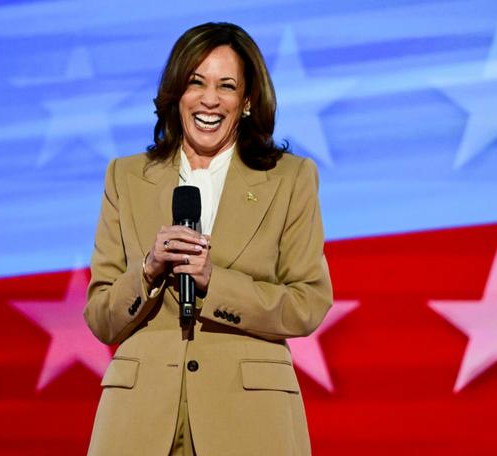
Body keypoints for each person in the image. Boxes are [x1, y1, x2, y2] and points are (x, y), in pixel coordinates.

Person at [84, 22, 332, 456]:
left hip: (250, 420)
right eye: (196, 82)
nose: (210, 99)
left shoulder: (290, 179)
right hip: (139, 420)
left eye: (227, 86)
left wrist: (214, 282)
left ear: (248, 101)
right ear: (176, 92)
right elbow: (101, 318)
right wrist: (147, 270)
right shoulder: (124, 177)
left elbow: (308, 303)